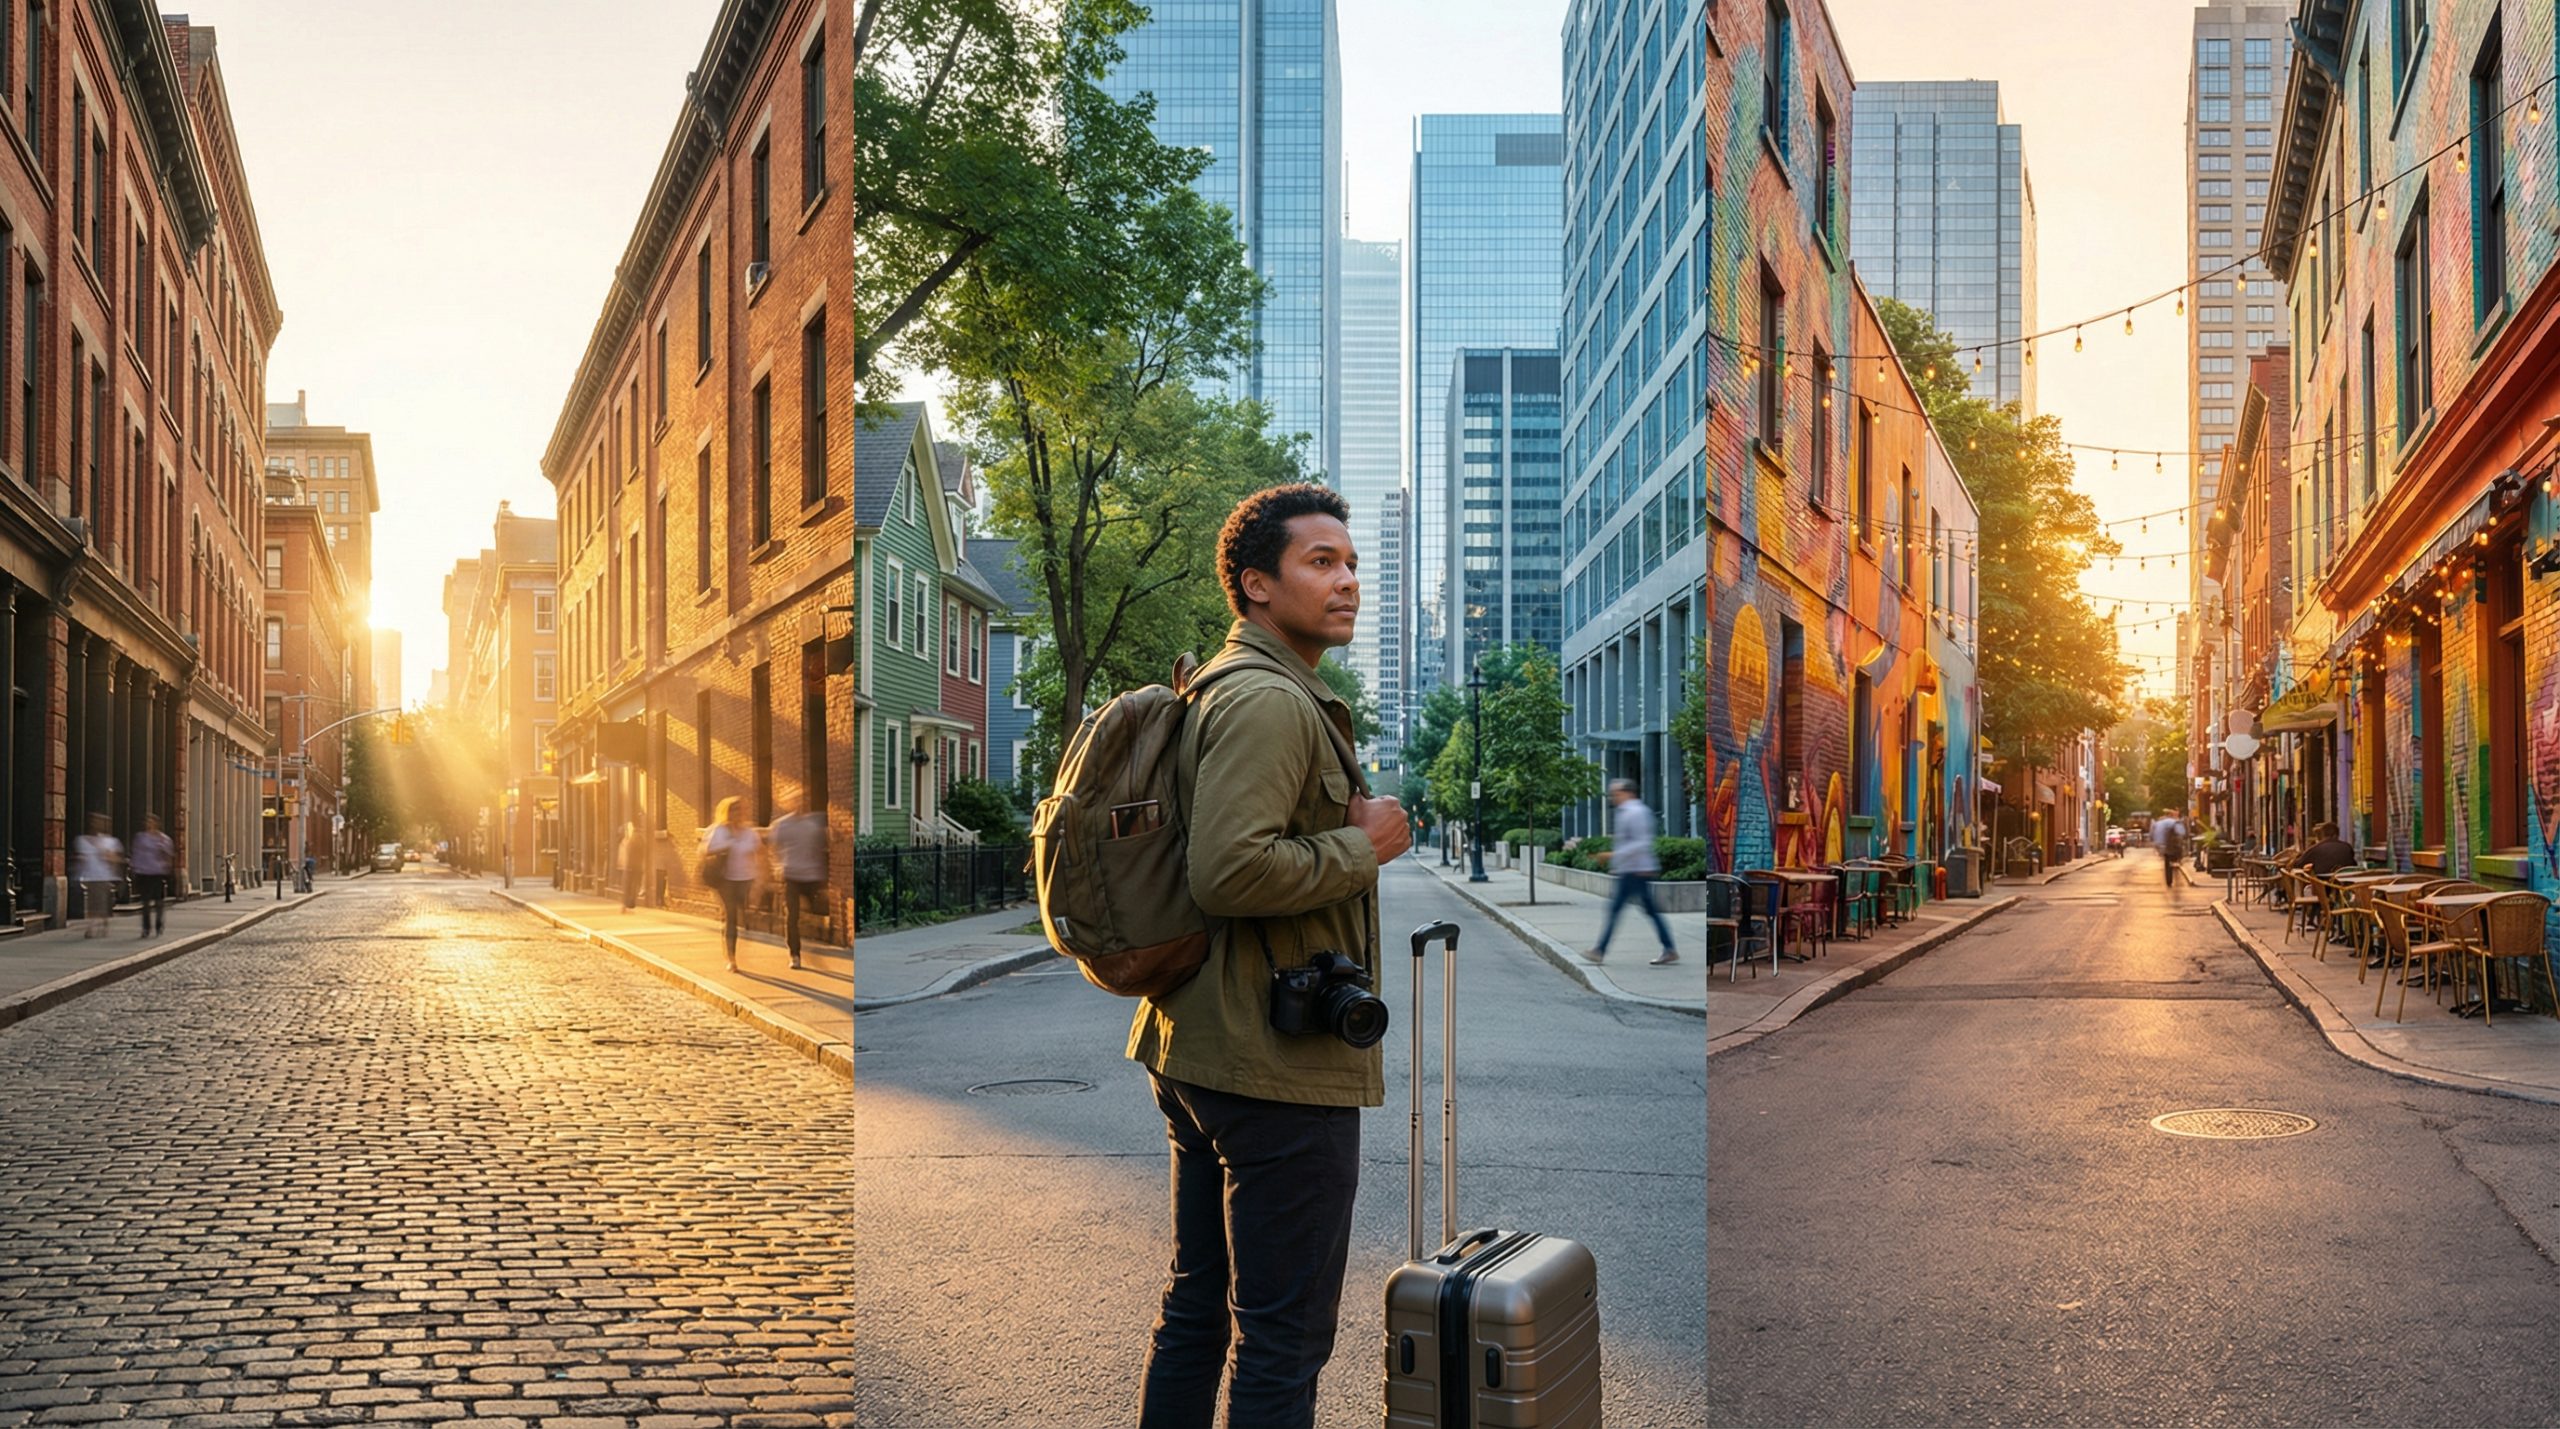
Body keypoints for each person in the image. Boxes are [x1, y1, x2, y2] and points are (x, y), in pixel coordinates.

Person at [1129, 483, 1408, 1429]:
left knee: (1197, 1311)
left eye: (1352, 562)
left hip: (1208, 1044)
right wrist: (1362, 846)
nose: (1348, 582)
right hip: (1273, 1072)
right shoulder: (1267, 701)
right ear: (1255, 583)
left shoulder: (1235, 686)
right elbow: (1228, 871)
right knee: (1282, 1340)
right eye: (1319, 562)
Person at [1582, 779, 1679, 966]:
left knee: (1616, 910)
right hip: (1631, 870)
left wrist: (1614, 855)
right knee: (1647, 911)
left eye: (1616, 793)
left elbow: (1641, 843)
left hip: (1637, 871)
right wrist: (1618, 864)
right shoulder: (1627, 812)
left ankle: (1600, 950)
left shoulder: (1636, 812)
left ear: (1628, 792)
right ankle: (1669, 948)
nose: (1613, 797)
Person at [701, 797, 768, 973]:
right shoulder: (718, 830)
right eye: (734, 810)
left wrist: (760, 882)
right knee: (730, 916)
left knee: (742, 915)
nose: (738, 813)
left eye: (740, 809)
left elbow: (761, 854)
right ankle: (731, 959)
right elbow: (704, 850)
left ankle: (737, 948)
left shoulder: (749, 833)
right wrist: (726, 845)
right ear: (727, 812)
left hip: (746, 879)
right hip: (725, 880)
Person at [768, 794, 829, 970]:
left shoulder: (814, 823)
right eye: (794, 800)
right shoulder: (781, 825)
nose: (799, 804)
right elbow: (773, 849)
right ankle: (795, 955)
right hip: (791, 876)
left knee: (819, 909)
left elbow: (826, 839)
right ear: (786, 803)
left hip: (812, 877)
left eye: (802, 800)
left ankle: (813, 945)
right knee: (792, 917)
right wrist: (777, 867)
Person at [72, 813, 123, 938]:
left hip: (103, 875)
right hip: (90, 876)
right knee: (92, 903)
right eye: (94, 822)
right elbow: (81, 858)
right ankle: (94, 926)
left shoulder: (110, 842)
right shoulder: (83, 840)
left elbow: (116, 859)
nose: (95, 825)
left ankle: (98, 926)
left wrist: (109, 859)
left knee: (100, 903)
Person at [131, 815, 175, 937]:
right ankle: (146, 928)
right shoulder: (140, 838)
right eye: (147, 822)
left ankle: (159, 924)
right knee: (145, 903)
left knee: (158, 902)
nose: (148, 824)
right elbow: (136, 853)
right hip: (144, 873)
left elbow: (169, 855)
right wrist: (134, 868)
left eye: (151, 822)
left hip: (158, 873)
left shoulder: (163, 839)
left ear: (156, 824)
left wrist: (168, 869)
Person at [2289, 821, 2357, 877]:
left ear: (2322, 835)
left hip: (2323, 886)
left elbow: (2298, 864)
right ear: (2336, 835)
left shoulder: (2315, 849)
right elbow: (2353, 864)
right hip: (2346, 884)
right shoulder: (2347, 847)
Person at [2151, 807, 2187, 889]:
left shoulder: (2160, 823)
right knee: (2176, 862)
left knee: (2167, 866)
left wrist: (2157, 845)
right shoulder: (2175, 822)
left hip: (2166, 848)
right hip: (2175, 847)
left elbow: (2155, 833)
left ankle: (2169, 881)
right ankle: (2177, 871)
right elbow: (2182, 833)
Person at [617, 821, 644, 911]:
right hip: (627, 867)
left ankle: (628, 904)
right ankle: (626, 904)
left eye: (628, 829)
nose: (627, 831)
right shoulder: (625, 840)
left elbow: (640, 853)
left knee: (631, 886)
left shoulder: (636, 839)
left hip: (633, 867)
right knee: (627, 886)